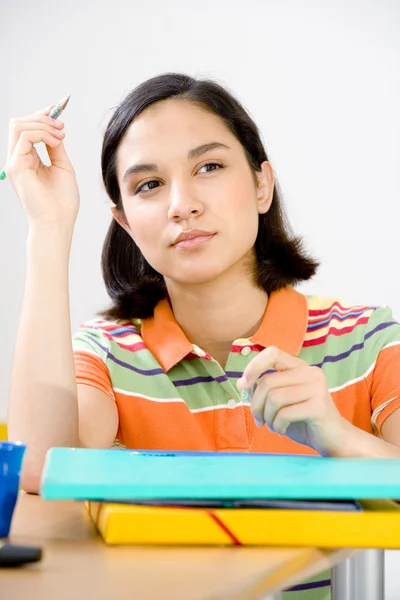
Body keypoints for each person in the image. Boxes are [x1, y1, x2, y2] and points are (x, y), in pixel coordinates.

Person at [5, 72, 400, 599]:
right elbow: (39, 465)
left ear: (262, 185)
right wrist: (49, 226)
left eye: (209, 167)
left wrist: (337, 436)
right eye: (149, 184)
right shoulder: (106, 351)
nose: (181, 204)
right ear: (123, 222)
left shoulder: (369, 339)